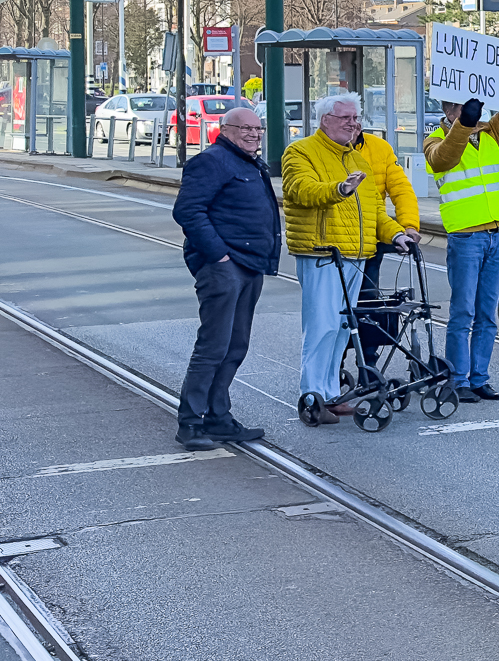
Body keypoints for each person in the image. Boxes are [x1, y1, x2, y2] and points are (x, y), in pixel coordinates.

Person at [282, 92, 420, 424]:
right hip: (322, 254)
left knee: (344, 326)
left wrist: (397, 233)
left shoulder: (357, 161)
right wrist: (339, 189)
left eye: (356, 119)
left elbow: (374, 213)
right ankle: (312, 394)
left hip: (357, 255)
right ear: (325, 120)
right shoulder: (300, 152)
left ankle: (331, 392)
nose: (353, 124)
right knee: (322, 326)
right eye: (346, 118)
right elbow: (301, 190)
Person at [170, 106, 279, 449]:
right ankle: (190, 423)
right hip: (224, 267)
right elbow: (187, 210)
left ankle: (218, 417)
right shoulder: (212, 160)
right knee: (214, 346)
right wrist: (218, 255)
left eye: (258, 128)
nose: (253, 133)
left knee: (235, 345)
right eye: (245, 128)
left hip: (248, 265)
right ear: (225, 129)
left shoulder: (248, 163)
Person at [425, 96, 499, 402]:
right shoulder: (435, 140)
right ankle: (458, 379)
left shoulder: (489, 133)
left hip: (497, 234)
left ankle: (479, 377)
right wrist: (464, 122)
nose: (477, 112)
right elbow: (443, 159)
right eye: (467, 107)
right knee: (463, 311)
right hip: (467, 237)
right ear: (449, 109)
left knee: (486, 314)